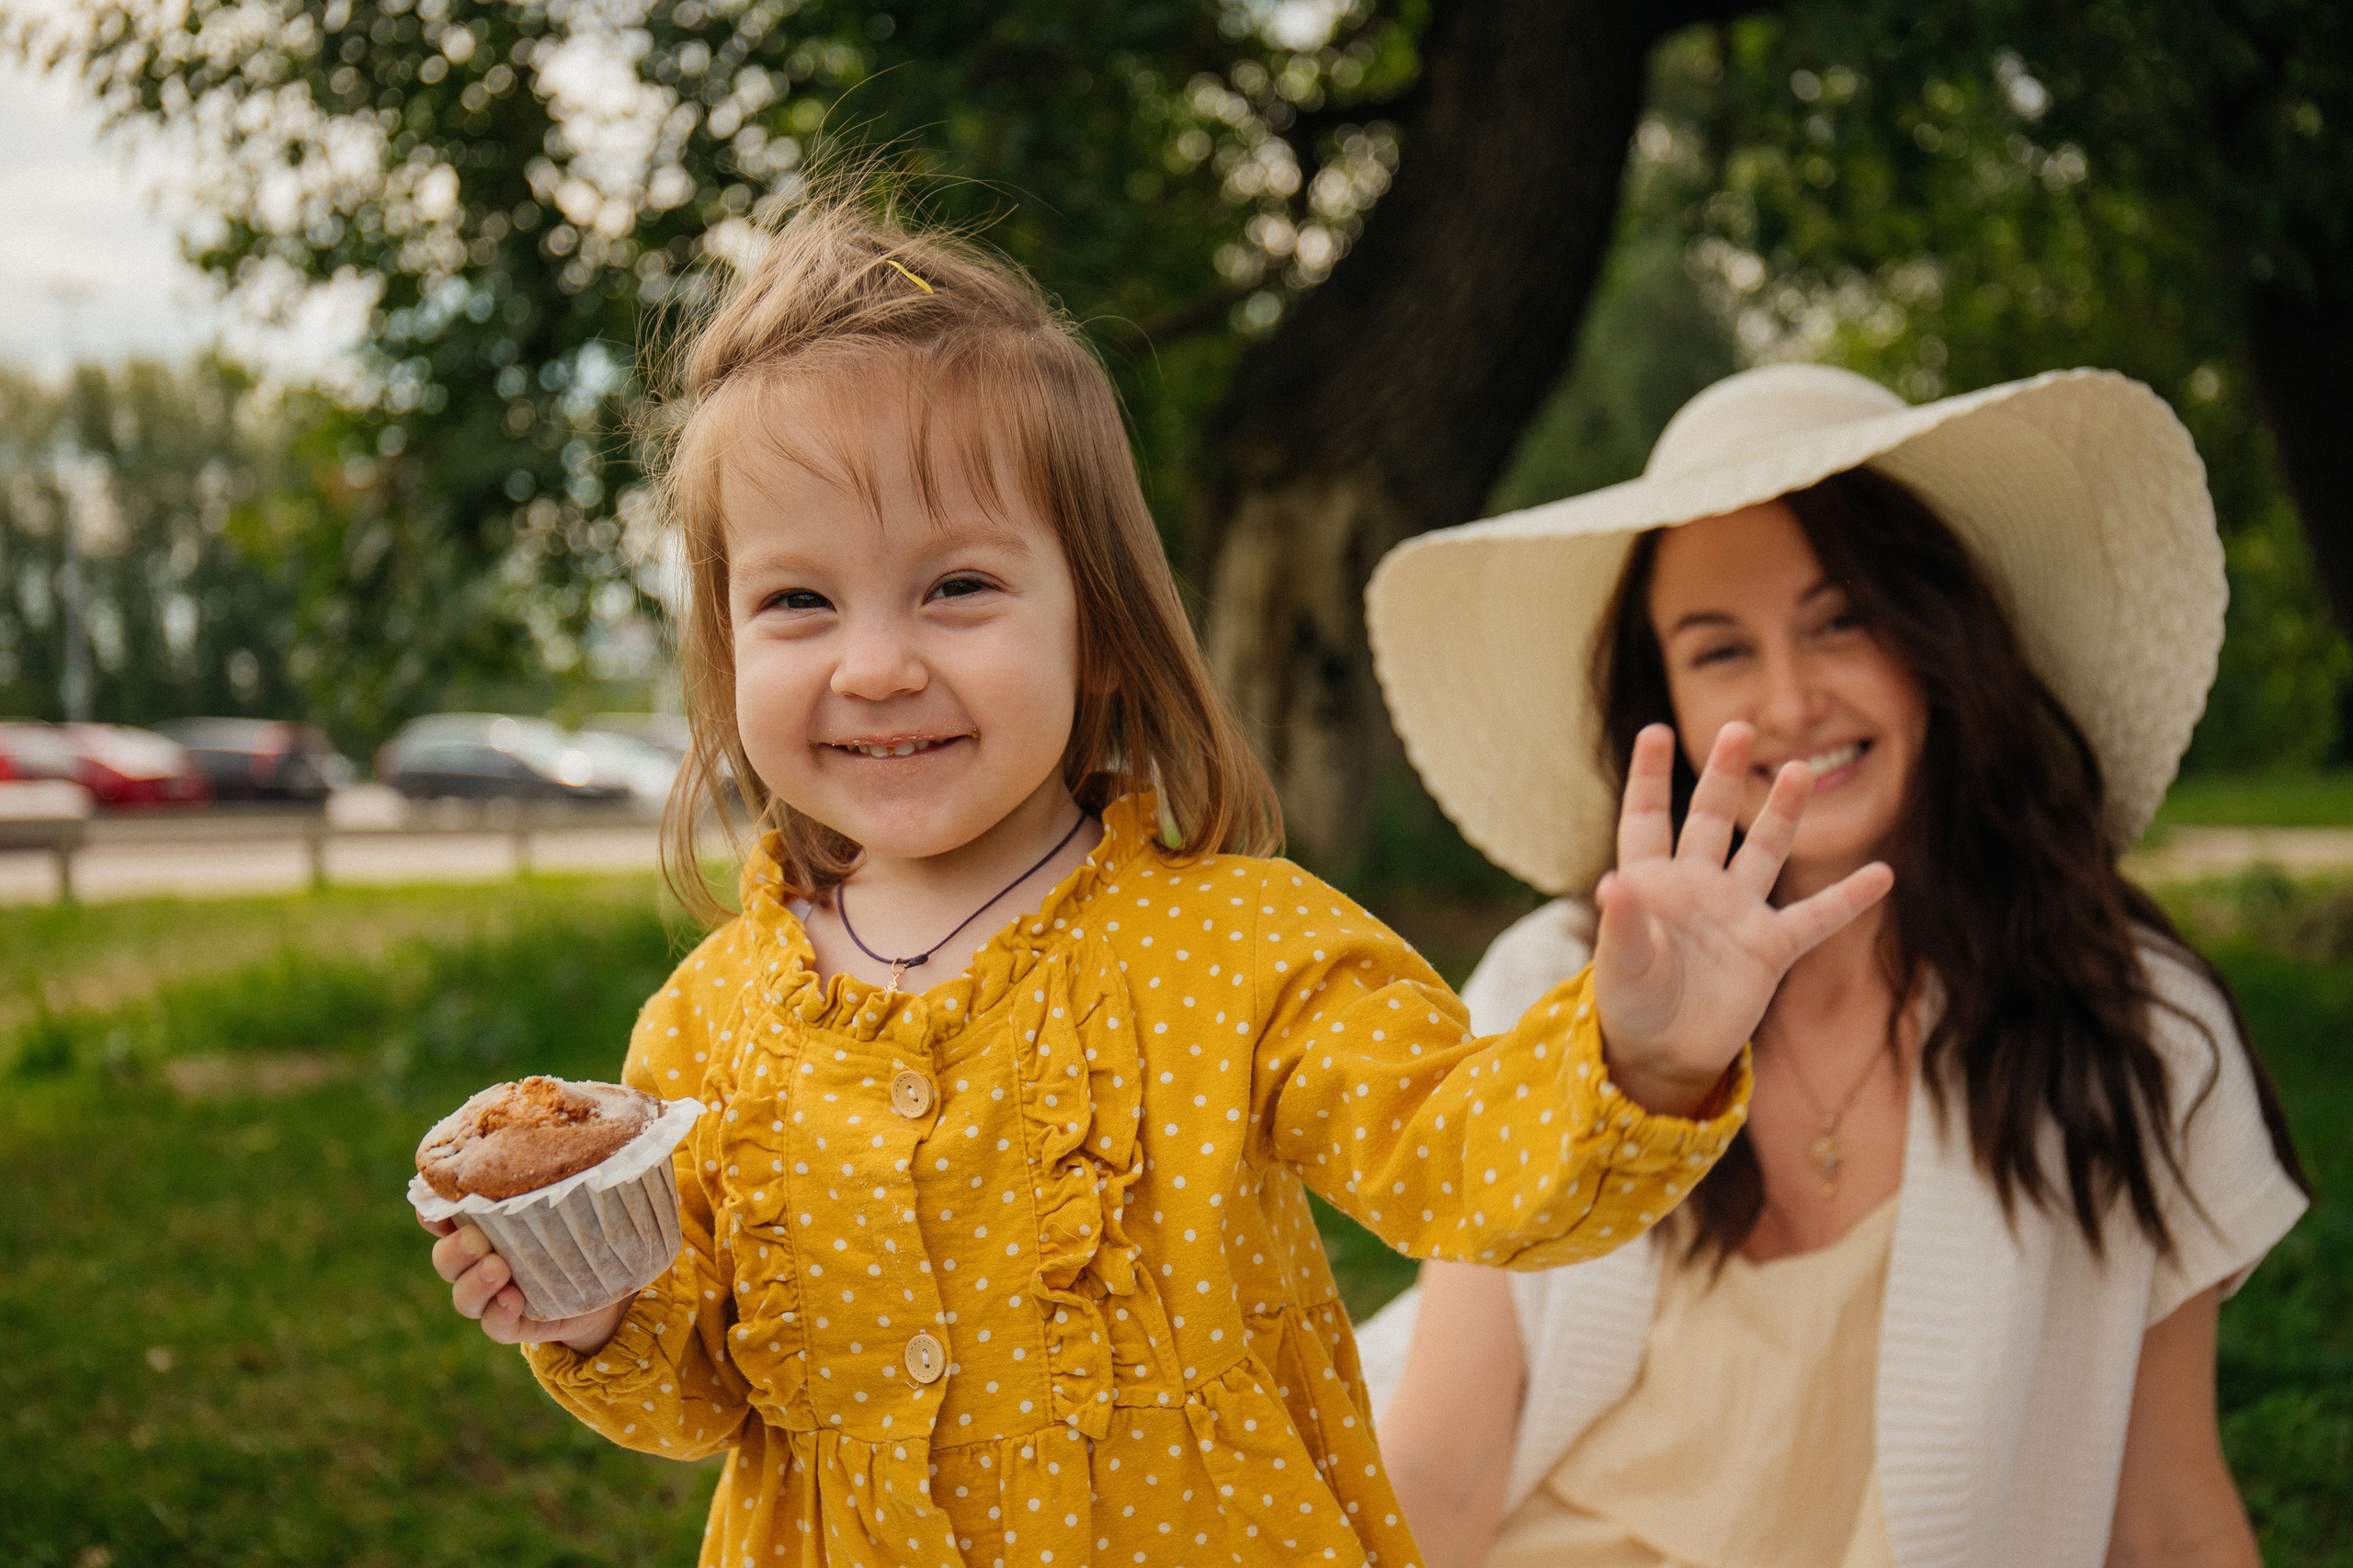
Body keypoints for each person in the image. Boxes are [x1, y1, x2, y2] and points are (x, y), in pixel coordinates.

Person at [415, 199, 1893, 1568]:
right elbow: (701, 1393)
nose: (876, 663)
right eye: (799, 600)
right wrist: (590, 1305)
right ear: (729, 648)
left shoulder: (1238, 945)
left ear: (1103, 628)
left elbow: (1459, 1164)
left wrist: (1643, 1054)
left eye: (957, 586)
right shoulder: (704, 1032)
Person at [1355, 363, 2311, 1568]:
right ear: (1665, 700)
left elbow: (2167, 1522)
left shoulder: (2133, 1029)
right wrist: (1633, 1072)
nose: (1792, 699)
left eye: (1842, 620)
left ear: (1939, 633)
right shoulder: (1550, 989)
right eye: (1720, 651)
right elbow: (1442, 1473)